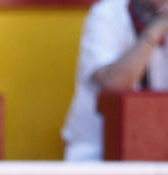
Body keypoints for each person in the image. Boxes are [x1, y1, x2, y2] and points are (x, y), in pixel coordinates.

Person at [62, 0, 168, 161]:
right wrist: (156, 29)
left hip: (159, 152)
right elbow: (115, 83)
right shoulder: (107, 13)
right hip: (96, 152)